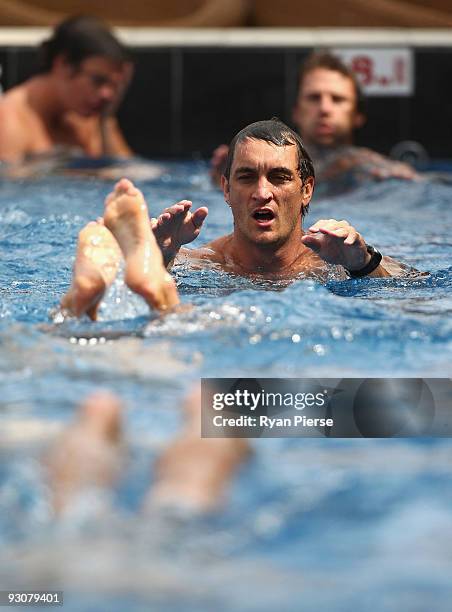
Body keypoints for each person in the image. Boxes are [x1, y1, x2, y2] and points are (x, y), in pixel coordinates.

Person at [60, 119, 409, 322]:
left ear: (306, 190)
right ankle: (134, 274)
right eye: (246, 177)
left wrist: (362, 263)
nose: (262, 191)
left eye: (279, 177)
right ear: (226, 188)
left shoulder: (338, 259)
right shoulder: (199, 263)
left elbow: (417, 292)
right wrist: (160, 257)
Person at [211, 52, 417, 190]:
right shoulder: (261, 166)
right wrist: (228, 185)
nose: (324, 108)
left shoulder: (373, 167)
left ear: (357, 116)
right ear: (296, 112)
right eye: (314, 98)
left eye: (337, 99)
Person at [45, 387, 249, 515]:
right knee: (207, 406)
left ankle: (96, 417)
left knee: (99, 410)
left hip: (72, 558)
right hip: (184, 540)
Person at [0, 15, 133, 164]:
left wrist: (107, 121)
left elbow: (126, 174)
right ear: (62, 65)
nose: (107, 94)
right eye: (97, 81)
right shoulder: (9, 122)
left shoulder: (86, 116)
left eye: (115, 85)